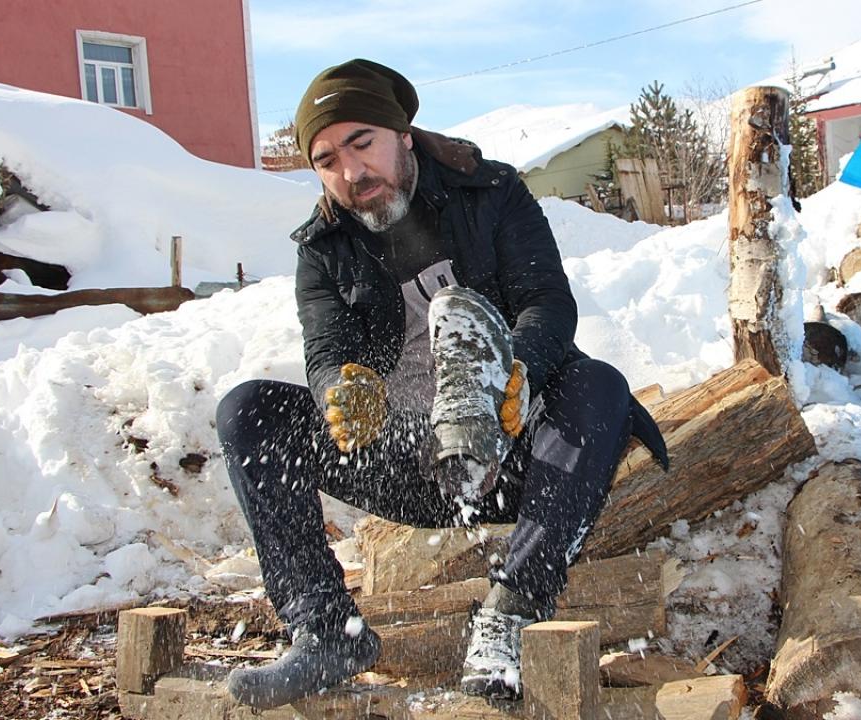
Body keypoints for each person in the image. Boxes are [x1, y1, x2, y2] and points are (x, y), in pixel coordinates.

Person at [216, 59, 668, 709]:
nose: (349, 171)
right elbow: (326, 349)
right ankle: (324, 631)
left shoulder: (492, 193)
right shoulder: (322, 247)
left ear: (403, 135)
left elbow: (548, 301)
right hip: (404, 462)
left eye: (361, 142)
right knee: (249, 409)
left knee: (598, 382)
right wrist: (341, 392)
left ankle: (511, 614)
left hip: (514, 452)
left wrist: (519, 371)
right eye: (325, 159)